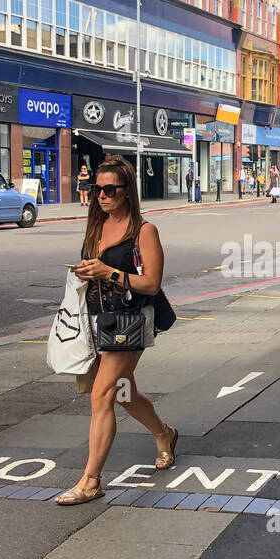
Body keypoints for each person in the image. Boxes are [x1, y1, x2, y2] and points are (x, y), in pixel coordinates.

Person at [56, 155, 177, 505]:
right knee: (124, 394)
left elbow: (151, 283)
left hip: (130, 322)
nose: (102, 196)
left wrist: (107, 272)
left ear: (127, 192)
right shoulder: (96, 226)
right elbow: (94, 269)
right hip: (98, 321)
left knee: (102, 394)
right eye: (97, 189)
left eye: (110, 189)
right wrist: (84, 271)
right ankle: (164, 433)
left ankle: (91, 481)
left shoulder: (144, 231)